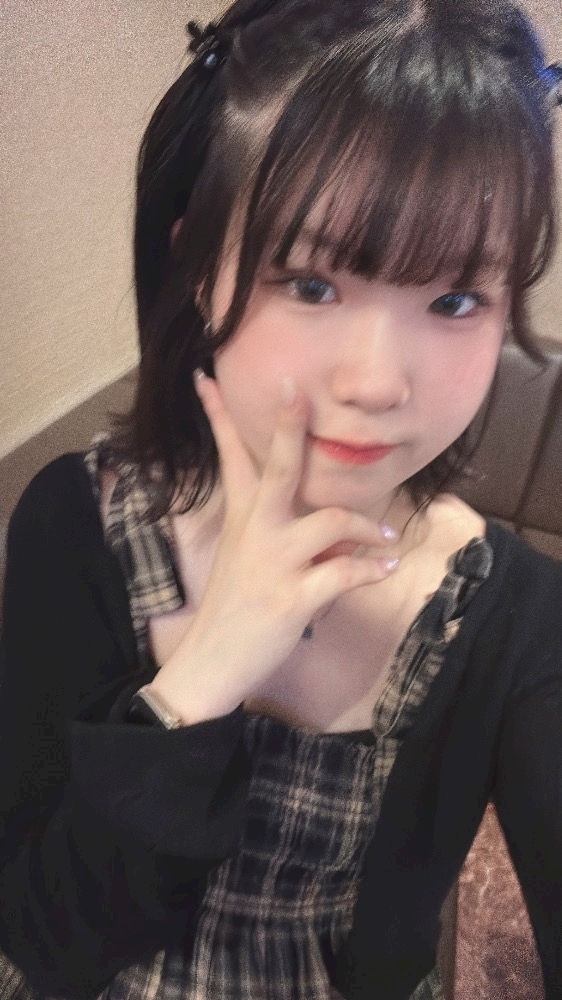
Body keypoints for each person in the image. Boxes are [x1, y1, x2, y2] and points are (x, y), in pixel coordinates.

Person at [1, 1, 561, 998]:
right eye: (309, 282)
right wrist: (199, 682)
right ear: (198, 269)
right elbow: (44, 940)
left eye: (454, 300)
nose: (376, 382)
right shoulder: (72, 523)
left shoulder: (515, 620)